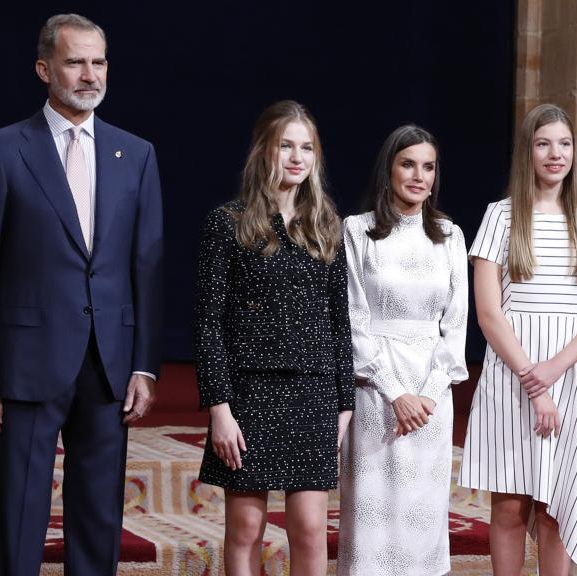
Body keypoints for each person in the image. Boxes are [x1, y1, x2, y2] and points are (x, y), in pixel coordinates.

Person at [0, 13, 163, 576]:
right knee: (20, 510)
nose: (90, 74)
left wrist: (144, 364)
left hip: (108, 362)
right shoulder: (1, 150)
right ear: (44, 69)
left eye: (99, 62)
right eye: (75, 62)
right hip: (24, 361)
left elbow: (146, 266)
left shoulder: (136, 154)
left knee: (99, 515)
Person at [457, 103, 577, 575]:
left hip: (569, 377)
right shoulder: (501, 216)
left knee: (557, 510)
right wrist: (532, 377)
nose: (555, 154)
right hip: (512, 376)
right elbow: (489, 314)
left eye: (564, 144)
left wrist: (553, 369)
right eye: (544, 143)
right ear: (528, 151)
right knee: (510, 506)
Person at [194, 100, 354, 576]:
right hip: (249, 394)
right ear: (264, 150)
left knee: (310, 529)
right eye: (286, 145)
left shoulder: (326, 226)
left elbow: (339, 321)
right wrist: (219, 410)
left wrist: (344, 403)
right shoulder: (227, 222)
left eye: (306, 147)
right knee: (246, 528)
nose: (296, 157)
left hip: (312, 393)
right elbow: (208, 323)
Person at [336, 125, 469, 576]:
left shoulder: (450, 235)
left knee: (421, 524)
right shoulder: (357, 231)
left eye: (428, 167)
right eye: (408, 164)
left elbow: (456, 324)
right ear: (389, 169)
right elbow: (353, 318)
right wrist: (396, 392)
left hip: (431, 399)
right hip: (376, 391)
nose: (418, 176)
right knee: (372, 529)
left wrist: (427, 394)